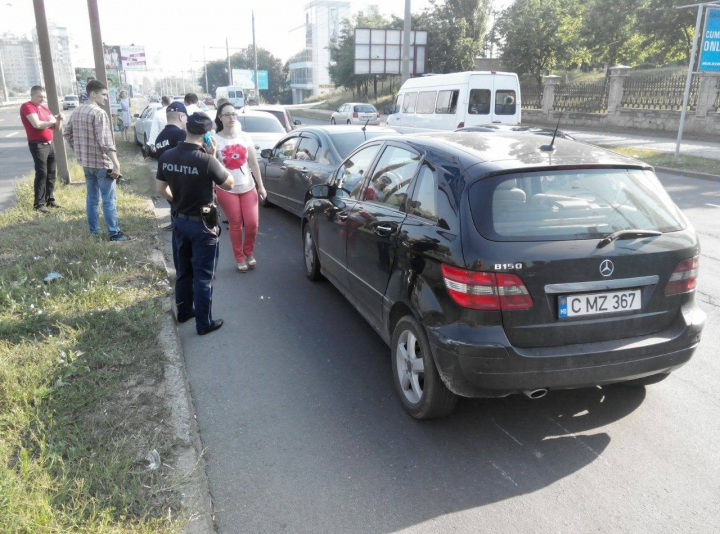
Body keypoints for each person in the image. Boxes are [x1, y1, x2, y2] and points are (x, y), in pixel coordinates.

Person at [155, 112, 234, 335]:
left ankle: (184, 312)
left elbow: (160, 189)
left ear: (186, 128)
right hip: (204, 225)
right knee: (203, 276)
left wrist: (178, 200)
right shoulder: (207, 160)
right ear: (207, 134)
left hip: (179, 221)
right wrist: (215, 155)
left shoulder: (167, 156)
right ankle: (203, 323)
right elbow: (229, 183)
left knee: (183, 272)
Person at [64, 79, 133, 241]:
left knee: (92, 198)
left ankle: (94, 231)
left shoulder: (77, 111)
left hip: (86, 164)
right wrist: (116, 164)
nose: (106, 98)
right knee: (109, 200)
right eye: (103, 94)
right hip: (102, 164)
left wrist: (80, 149)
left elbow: (67, 134)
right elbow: (105, 142)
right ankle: (114, 233)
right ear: (92, 94)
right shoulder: (99, 113)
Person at [211, 102, 267, 272]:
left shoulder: (244, 137)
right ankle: (240, 257)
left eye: (233, 114)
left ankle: (248, 251)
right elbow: (211, 166)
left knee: (252, 223)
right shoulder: (215, 139)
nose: (231, 118)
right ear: (220, 118)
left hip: (248, 186)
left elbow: (254, 164)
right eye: (227, 114)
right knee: (236, 224)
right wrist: (212, 189)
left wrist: (261, 186)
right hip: (226, 189)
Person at [20, 85, 63, 213]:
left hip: (50, 144)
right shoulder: (27, 106)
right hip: (38, 145)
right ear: (32, 95)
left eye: (44, 97)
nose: (42, 99)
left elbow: (57, 128)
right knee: (42, 173)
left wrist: (58, 119)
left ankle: (50, 199)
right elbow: (37, 124)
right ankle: (38, 204)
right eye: (39, 96)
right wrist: (52, 121)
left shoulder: (44, 108)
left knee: (51, 172)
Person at [152, 100, 188, 242]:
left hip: (166, 179)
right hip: (181, 179)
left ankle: (175, 224)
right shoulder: (180, 134)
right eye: (186, 117)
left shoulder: (160, 137)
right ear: (181, 117)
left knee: (174, 205)